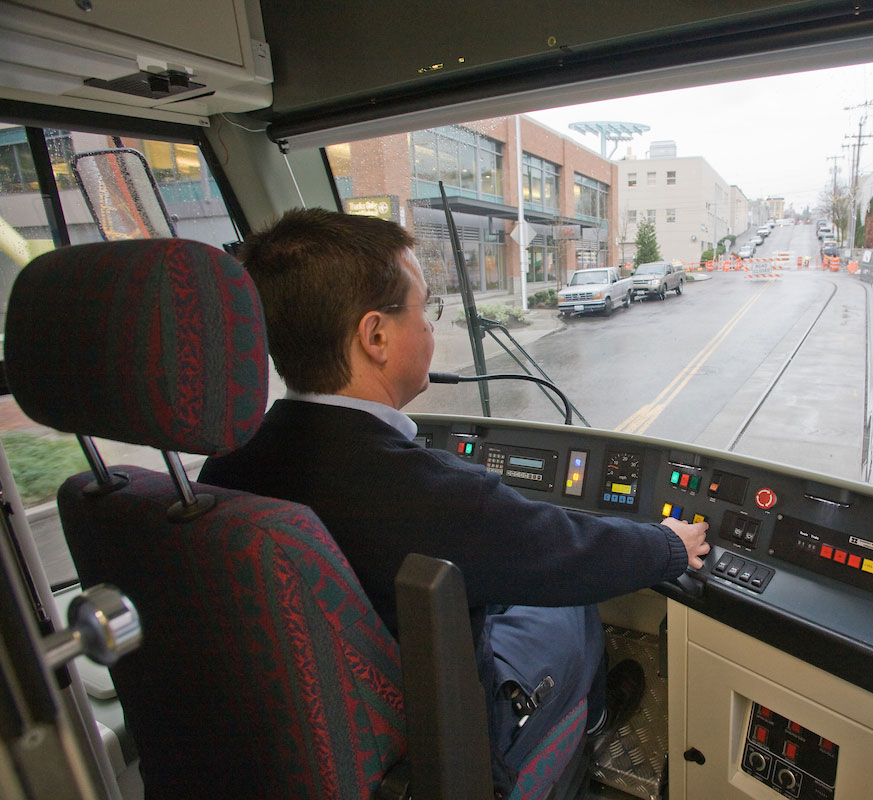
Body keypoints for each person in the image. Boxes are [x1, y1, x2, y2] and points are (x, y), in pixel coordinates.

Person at [199, 208, 710, 793]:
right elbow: (572, 554)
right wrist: (668, 546)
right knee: (569, 602)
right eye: (425, 309)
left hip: (307, 737)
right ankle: (593, 721)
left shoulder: (225, 465)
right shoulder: (423, 491)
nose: (430, 326)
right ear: (376, 336)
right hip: (441, 748)